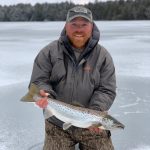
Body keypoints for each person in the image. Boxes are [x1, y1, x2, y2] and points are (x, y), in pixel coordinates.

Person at [29, 5, 116, 150]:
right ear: (66, 26)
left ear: (92, 26)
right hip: (57, 124)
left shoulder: (103, 56)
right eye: (74, 24)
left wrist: (96, 112)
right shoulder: (49, 52)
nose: (79, 29)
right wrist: (42, 92)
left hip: (92, 128)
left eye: (84, 25)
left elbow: (107, 89)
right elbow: (39, 81)